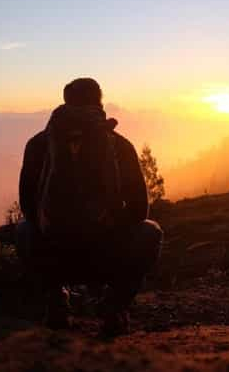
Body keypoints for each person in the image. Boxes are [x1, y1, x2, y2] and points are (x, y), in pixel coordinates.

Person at [17, 78, 163, 336]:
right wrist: (107, 224)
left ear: (65, 103)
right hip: (108, 254)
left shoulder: (38, 145)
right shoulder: (119, 145)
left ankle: (56, 302)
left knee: (24, 230)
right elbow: (140, 210)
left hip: (55, 254)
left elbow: (28, 206)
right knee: (150, 232)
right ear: (99, 102)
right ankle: (114, 307)